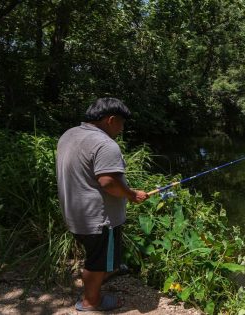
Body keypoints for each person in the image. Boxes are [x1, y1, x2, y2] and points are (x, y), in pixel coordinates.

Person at [56, 97, 149, 311]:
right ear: (111, 120)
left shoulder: (69, 134)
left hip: (74, 213)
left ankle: (107, 271)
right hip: (99, 220)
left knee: (97, 255)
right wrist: (132, 194)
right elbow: (108, 182)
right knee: (96, 263)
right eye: (122, 123)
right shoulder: (105, 144)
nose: (122, 129)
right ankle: (91, 301)